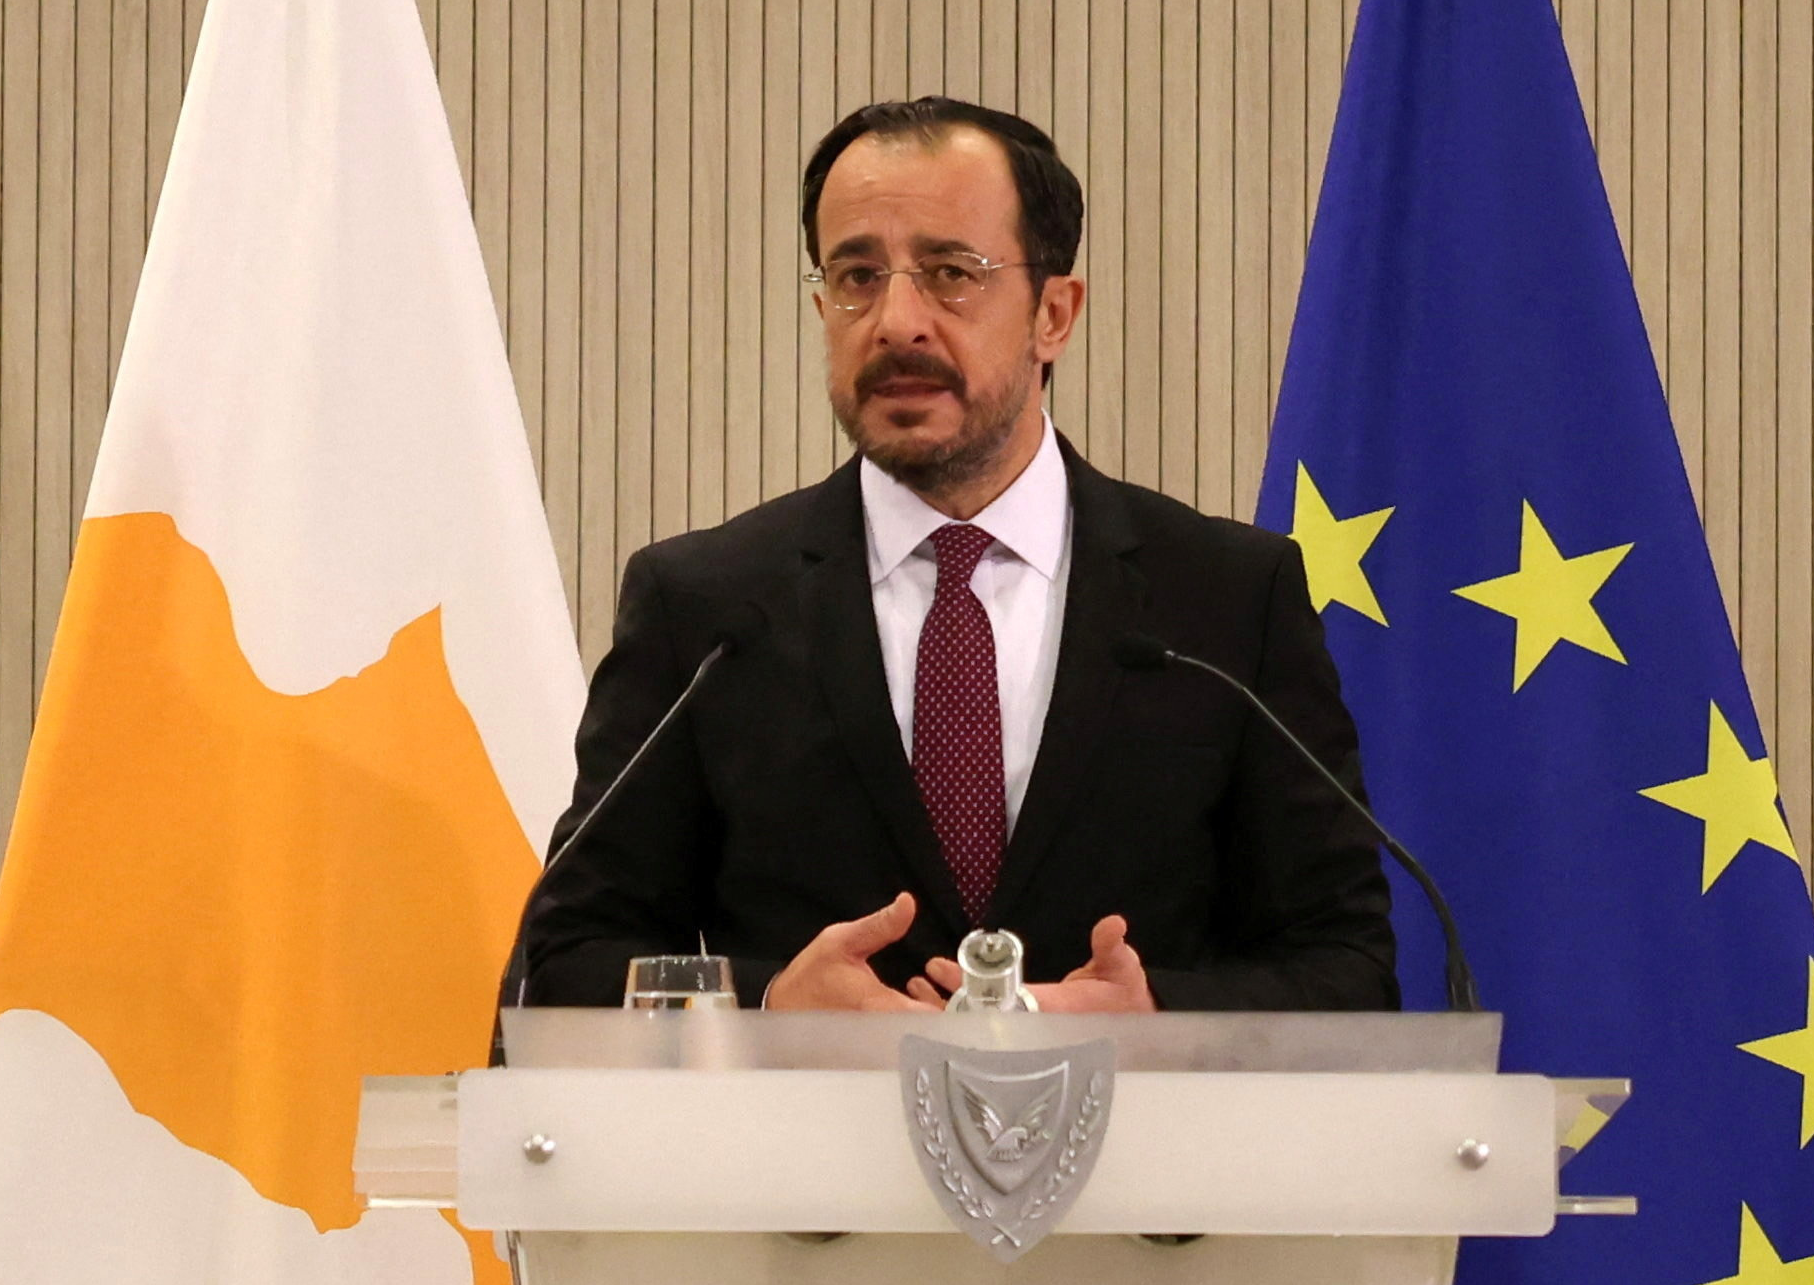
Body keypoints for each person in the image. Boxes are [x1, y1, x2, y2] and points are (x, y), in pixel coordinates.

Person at [517, 95, 1395, 1012]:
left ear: (1054, 313)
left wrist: (1155, 1019)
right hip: (801, 1152)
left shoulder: (1221, 600)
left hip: (1141, 1148)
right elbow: (570, 956)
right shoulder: (704, 608)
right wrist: (768, 1005)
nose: (896, 320)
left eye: (950, 272)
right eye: (856, 275)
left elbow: (1349, 966)